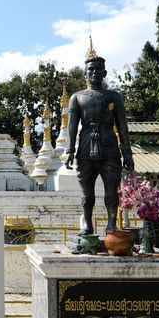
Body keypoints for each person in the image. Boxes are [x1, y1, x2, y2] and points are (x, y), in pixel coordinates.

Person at [64, 54, 134, 233]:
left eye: (98, 69)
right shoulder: (77, 97)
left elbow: (122, 126)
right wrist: (70, 150)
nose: (94, 72)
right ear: (85, 74)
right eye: (90, 69)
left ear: (104, 72)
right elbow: (71, 126)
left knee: (111, 188)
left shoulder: (113, 97)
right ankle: (87, 225)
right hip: (86, 144)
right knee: (87, 192)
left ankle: (111, 223)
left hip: (109, 144)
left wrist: (127, 153)